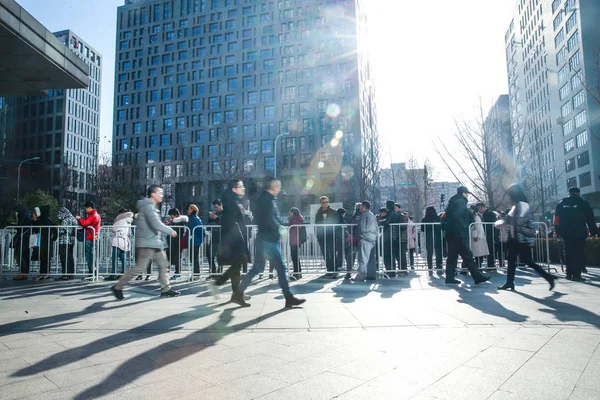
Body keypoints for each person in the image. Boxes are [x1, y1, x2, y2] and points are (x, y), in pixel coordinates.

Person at [232, 178, 305, 308]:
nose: (280, 188)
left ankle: (238, 293)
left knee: (257, 268)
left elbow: (269, 219)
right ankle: (288, 297)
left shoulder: (267, 199)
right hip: (268, 240)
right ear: (273, 187)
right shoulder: (267, 200)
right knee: (281, 268)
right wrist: (279, 228)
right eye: (278, 186)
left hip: (264, 239)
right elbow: (269, 220)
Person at [111, 185, 180, 300]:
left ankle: (166, 289)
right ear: (153, 194)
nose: (162, 195)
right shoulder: (148, 207)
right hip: (147, 243)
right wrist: (170, 231)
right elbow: (155, 223)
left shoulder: (151, 206)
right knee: (139, 268)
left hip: (154, 243)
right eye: (160, 193)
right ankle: (118, 286)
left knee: (163, 265)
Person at [498, 184, 557, 291]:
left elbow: (519, 221)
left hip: (522, 239)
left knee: (528, 261)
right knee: (511, 260)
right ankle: (509, 283)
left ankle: (549, 277)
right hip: (515, 238)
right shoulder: (517, 205)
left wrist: (504, 217)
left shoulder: (523, 205)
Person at [444, 186, 491, 285]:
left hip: (451, 233)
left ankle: (450, 277)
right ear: (463, 193)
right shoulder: (460, 202)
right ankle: (477, 277)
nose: (467, 195)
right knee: (467, 256)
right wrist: (465, 227)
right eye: (466, 193)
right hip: (458, 233)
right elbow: (459, 217)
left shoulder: (453, 201)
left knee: (453, 257)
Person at [213, 180, 251, 297]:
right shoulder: (232, 200)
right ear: (234, 189)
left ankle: (236, 293)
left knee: (237, 265)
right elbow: (229, 220)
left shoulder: (234, 199)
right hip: (233, 238)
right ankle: (220, 283)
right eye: (241, 186)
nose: (243, 188)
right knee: (238, 263)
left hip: (234, 236)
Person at [554, 187, 598, 281]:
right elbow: (590, 218)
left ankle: (569, 273)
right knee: (578, 252)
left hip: (566, 232)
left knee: (568, 252)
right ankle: (577, 275)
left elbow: (556, 219)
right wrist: (593, 231)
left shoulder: (561, 203)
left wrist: (557, 231)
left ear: (568, 193)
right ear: (578, 193)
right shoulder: (583, 203)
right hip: (579, 231)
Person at [314, 196, 344, 278]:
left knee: (333, 252)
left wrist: (337, 235)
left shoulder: (333, 212)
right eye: (324, 202)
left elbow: (338, 224)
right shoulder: (318, 213)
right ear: (321, 203)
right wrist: (317, 235)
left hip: (331, 235)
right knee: (326, 253)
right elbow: (316, 224)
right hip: (322, 236)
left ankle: (335, 269)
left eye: (327, 202)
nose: (325, 204)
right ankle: (329, 270)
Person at [106, 209, 134, 281]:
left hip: (117, 239)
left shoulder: (120, 220)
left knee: (114, 257)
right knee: (123, 257)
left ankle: (113, 274)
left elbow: (114, 228)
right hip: (124, 240)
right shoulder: (128, 221)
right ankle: (124, 273)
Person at [353, 201, 378, 281]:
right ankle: (371, 275)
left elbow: (362, 227)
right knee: (371, 259)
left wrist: (359, 236)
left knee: (363, 258)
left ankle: (361, 276)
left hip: (365, 238)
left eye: (361, 206)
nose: (360, 208)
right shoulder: (372, 215)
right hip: (372, 238)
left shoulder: (364, 215)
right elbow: (376, 227)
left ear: (363, 207)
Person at [76, 201, 101, 279]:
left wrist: (79, 218)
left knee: (89, 256)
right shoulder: (97, 215)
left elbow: (85, 223)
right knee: (93, 255)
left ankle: (92, 273)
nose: (85, 210)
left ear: (90, 208)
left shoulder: (92, 215)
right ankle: (94, 272)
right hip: (93, 237)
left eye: (86, 208)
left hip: (90, 237)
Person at [32, 205, 57, 280]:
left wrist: (35, 220)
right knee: (44, 258)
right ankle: (44, 273)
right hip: (45, 241)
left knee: (45, 258)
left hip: (44, 241)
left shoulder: (44, 220)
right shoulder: (47, 219)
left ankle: (44, 273)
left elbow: (36, 228)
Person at [166, 208, 188, 280]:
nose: (171, 217)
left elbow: (180, 231)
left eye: (171, 215)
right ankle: (167, 272)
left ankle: (177, 272)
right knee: (168, 256)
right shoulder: (173, 222)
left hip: (177, 242)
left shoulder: (180, 221)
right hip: (172, 242)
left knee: (177, 257)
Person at [12, 205, 33, 280]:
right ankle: (24, 272)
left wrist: (11, 225)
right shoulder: (28, 214)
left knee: (18, 254)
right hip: (26, 237)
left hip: (22, 237)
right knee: (24, 255)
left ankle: (23, 272)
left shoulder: (23, 215)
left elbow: (20, 226)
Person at [56, 207, 78, 280]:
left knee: (64, 257)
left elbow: (63, 231)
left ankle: (65, 274)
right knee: (70, 257)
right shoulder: (73, 219)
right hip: (72, 241)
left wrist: (58, 228)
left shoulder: (65, 220)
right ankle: (70, 273)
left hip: (64, 241)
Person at [381, 200, 401, 276]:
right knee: (391, 255)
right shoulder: (395, 214)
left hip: (388, 236)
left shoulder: (390, 214)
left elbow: (386, 223)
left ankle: (390, 271)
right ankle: (391, 270)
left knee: (387, 255)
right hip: (393, 236)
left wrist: (381, 221)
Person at [205, 199, 223, 278]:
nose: (215, 209)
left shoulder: (225, 213)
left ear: (220, 205)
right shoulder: (214, 213)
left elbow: (223, 222)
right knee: (209, 253)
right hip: (214, 236)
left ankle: (219, 272)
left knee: (220, 255)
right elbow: (209, 223)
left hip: (222, 237)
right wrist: (211, 217)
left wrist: (216, 217)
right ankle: (213, 271)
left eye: (216, 207)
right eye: (214, 207)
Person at [477, 202, 498, 269]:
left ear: (481, 207)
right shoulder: (488, 213)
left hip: (489, 234)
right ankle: (490, 265)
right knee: (489, 250)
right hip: (490, 234)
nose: (478, 210)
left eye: (479, 208)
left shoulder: (488, 214)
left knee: (490, 250)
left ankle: (491, 265)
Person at [421, 206, 443, 270]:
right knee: (438, 252)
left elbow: (422, 229)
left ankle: (430, 267)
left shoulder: (425, 219)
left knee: (429, 252)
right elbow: (441, 227)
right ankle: (439, 266)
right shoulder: (438, 218)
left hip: (429, 237)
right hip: (437, 236)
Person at [344, 203, 361, 279]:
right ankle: (350, 272)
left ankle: (349, 272)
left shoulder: (353, 215)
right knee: (357, 256)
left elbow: (350, 226)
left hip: (354, 238)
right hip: (358, 238)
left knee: (351, 256)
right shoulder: (358, 215)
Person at [186, 204, 203, 280]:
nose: (188, 210)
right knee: (192, 258)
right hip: (191, 241)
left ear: (192, 209)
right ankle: (195, 274)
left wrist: (200, 240)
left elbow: (200, 230)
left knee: (194, 258)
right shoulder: (191, 218)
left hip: (195, 241)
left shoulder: (196, 219)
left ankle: (196, 274)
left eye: (189, 209)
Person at [470, 205, 489, 270]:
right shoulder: (476, 215)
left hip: (477, 236)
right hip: (477, 236)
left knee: (478, 253)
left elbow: (478, 227)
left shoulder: (476, 216)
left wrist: (476, 235)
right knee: (478, 253)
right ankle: (478, 267)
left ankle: (478, 267)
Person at [288, 207, 304, 280]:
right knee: (296, 257)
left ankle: (296, 273)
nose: (289, 213)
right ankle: (298, 272)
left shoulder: (294, 220)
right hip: (296, 240)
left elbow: (293, 230)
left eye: (290, 212)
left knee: (294, 257)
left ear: (293, 212)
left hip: (294, 240)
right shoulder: (298, 219)